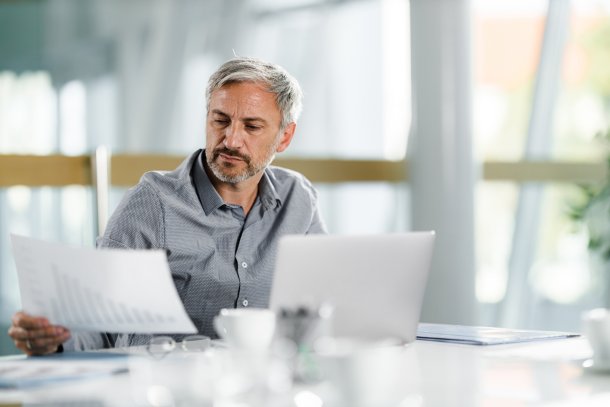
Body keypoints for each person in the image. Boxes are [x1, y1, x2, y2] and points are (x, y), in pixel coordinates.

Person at [8, 57, 327, 355]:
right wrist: (54, 339)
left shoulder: (297, 198)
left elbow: (321, 302)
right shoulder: (151, 204)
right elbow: (101, 326)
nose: (230, 140)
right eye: (220, 120)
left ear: (284, 137)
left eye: (252, 127)